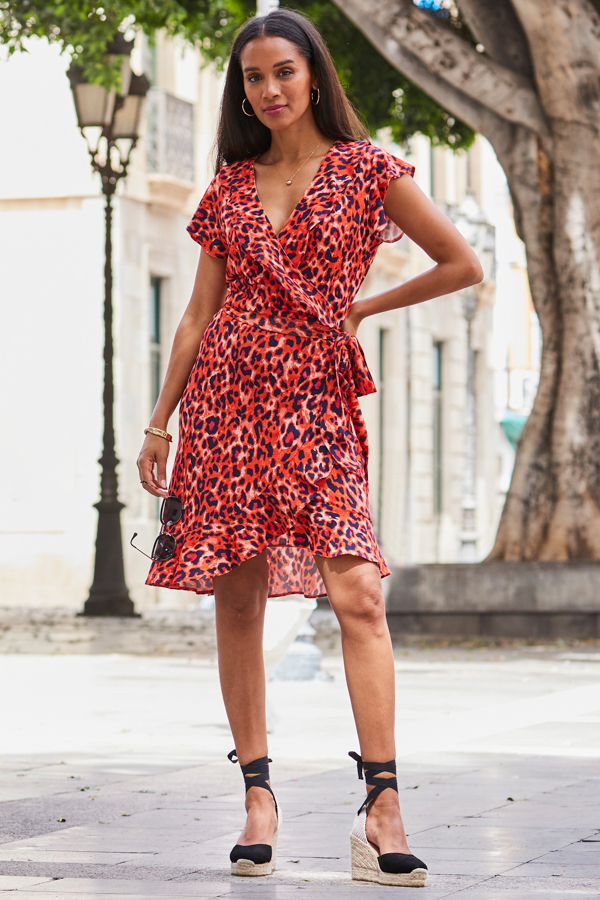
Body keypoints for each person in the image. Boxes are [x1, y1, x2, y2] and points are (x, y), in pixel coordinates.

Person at [136, 8, 483, 888]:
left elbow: (460, 262)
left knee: (359, 591)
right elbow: (197, 316)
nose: (269, 90)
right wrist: (159, 421)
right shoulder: (229, 187)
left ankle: (383, 806)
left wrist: (361, 308)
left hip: (317, 402)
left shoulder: (368, 171)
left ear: (315, 75)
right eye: (254, 78)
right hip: (227, 402)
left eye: (283, 71)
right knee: (238, 599)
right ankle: (258, 798)